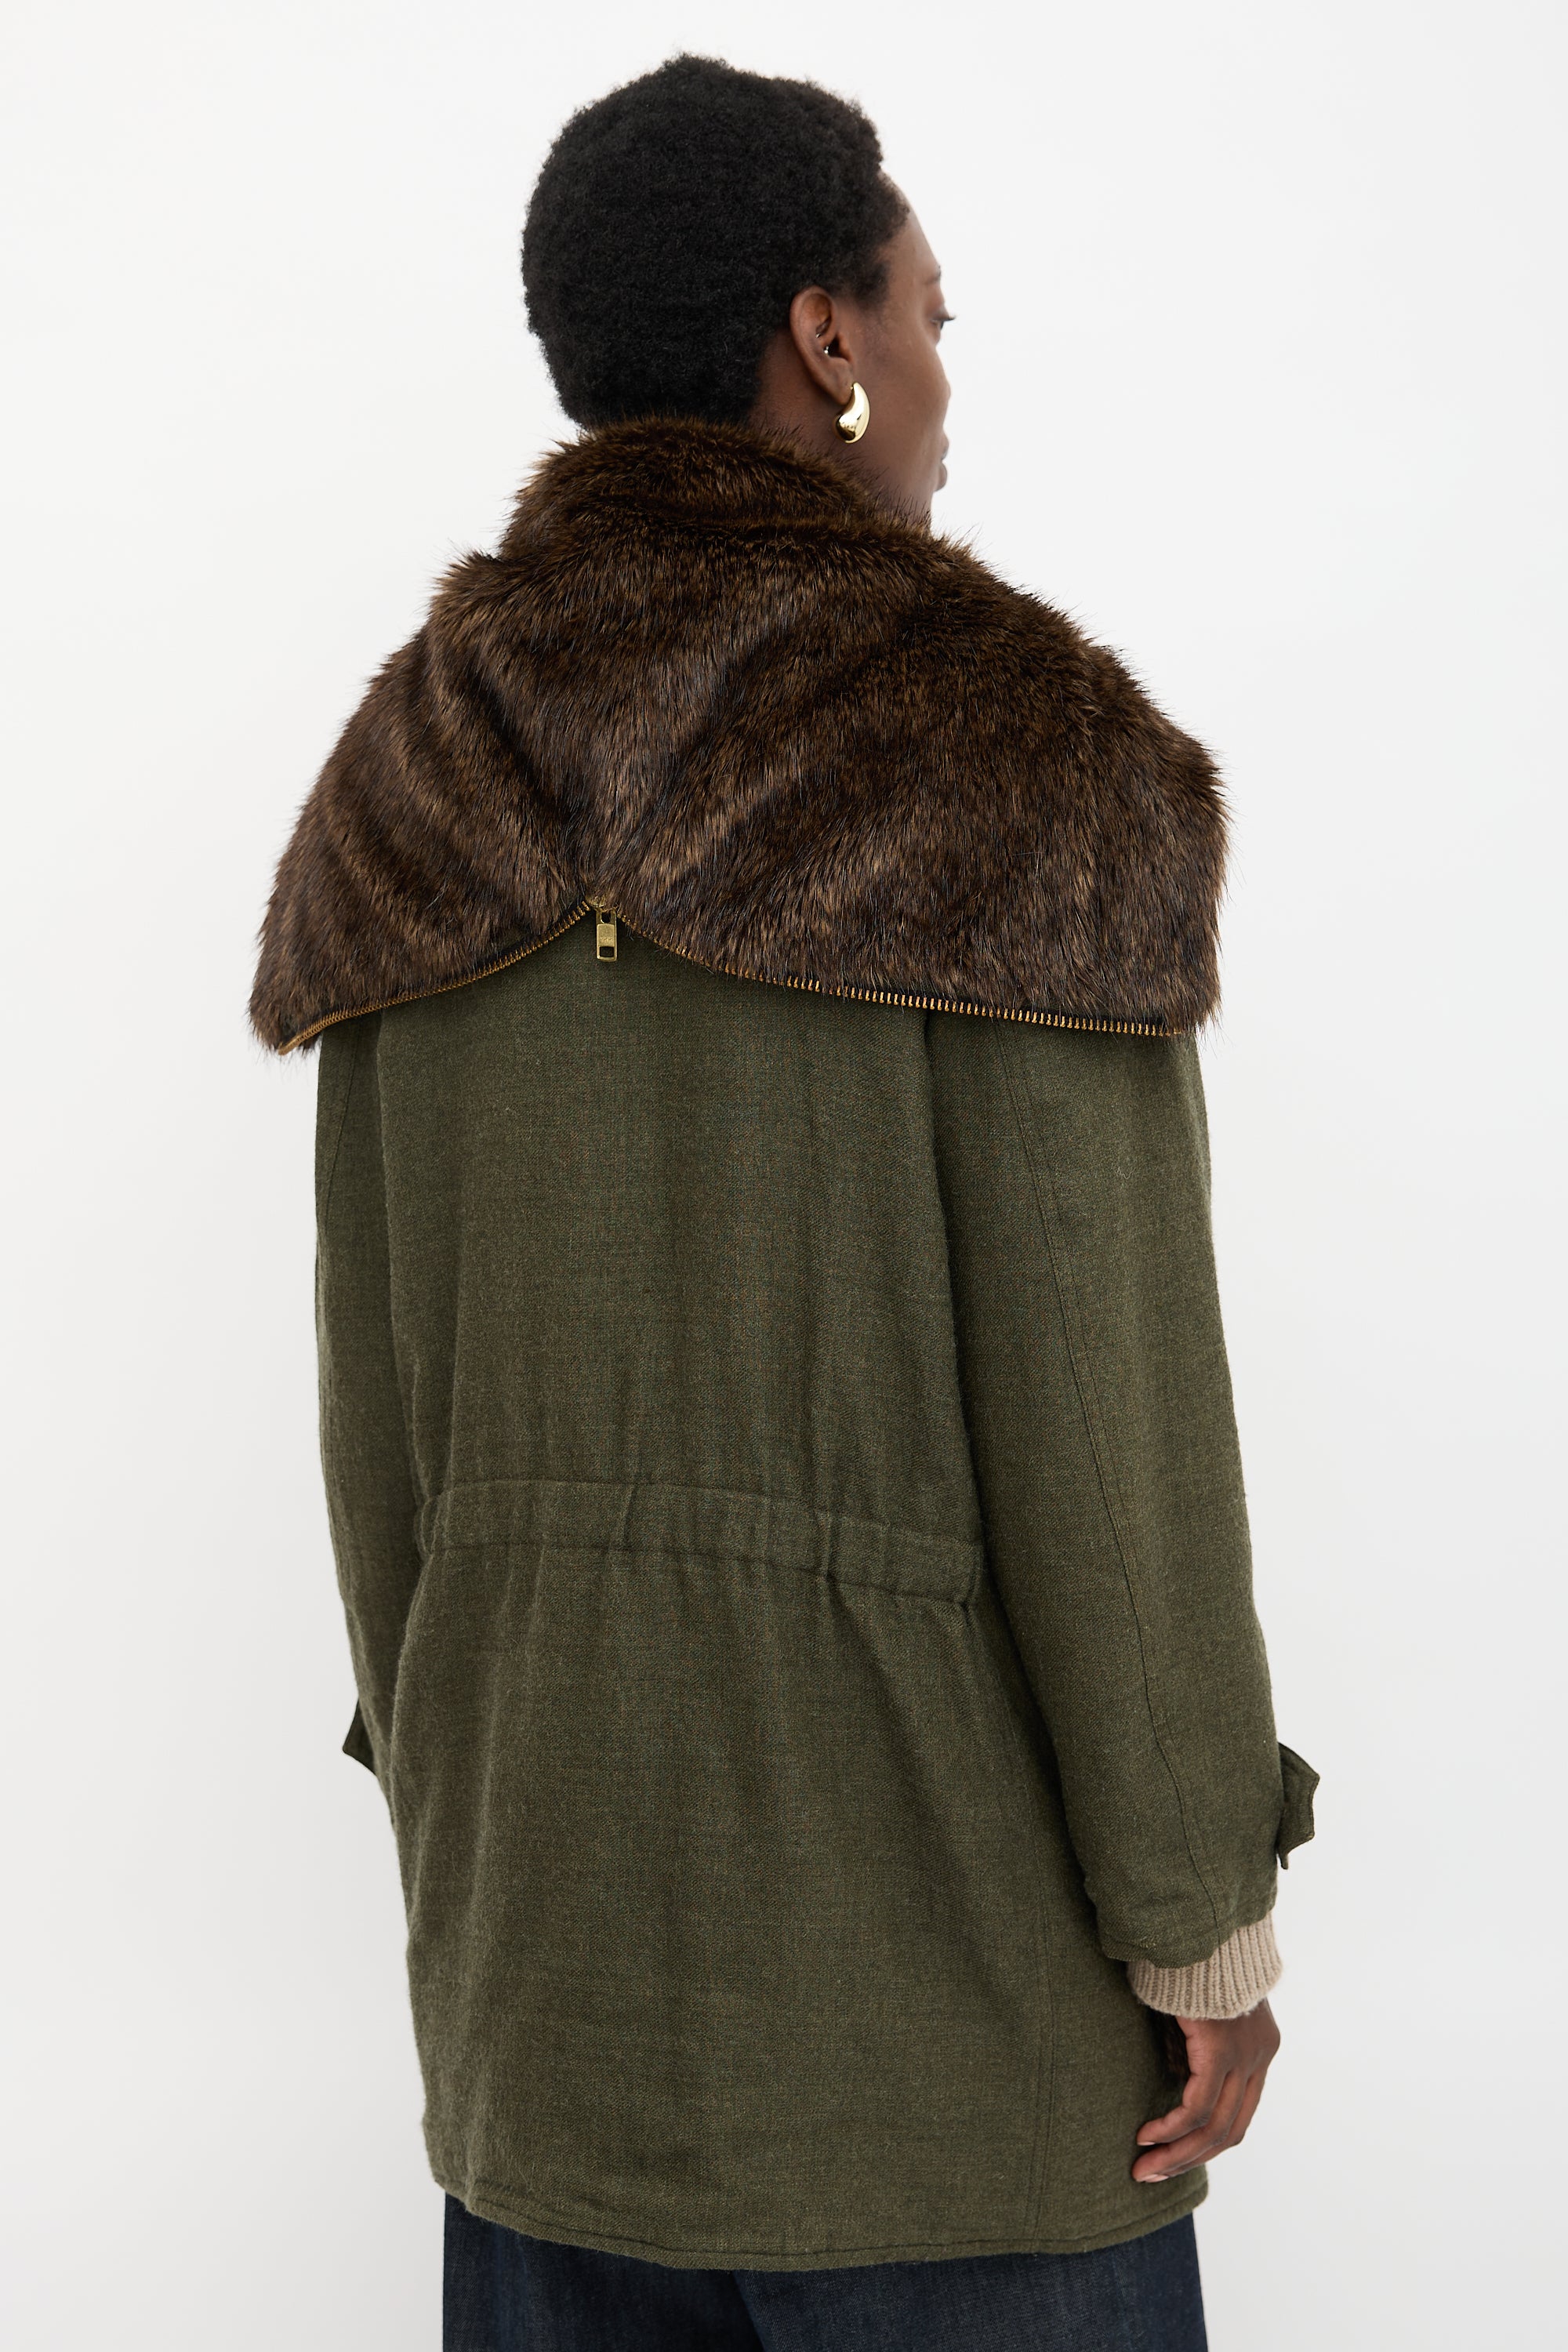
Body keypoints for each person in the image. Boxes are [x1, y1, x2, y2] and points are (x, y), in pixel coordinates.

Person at [252, 53, 1316, 2352]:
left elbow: (379, 1452)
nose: (941, 378)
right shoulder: (1003, 747)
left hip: (543, 2020)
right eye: (928, 315)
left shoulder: (413, 767)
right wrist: (1202, 1923)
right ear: (824, 338)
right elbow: (1106, 1426)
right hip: (946, 2058)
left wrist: (481, 1834)